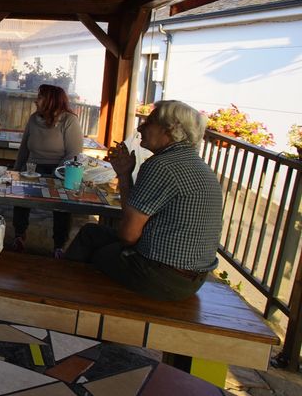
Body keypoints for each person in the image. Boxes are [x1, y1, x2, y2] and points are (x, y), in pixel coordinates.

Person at [64, 100, 222, 301]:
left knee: (95, 248)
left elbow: (128, 235)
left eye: (149, 122)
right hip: (192, 279)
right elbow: (135, 214)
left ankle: (66, 296)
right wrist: (124, 175)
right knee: (92, 233)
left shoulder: (161, 165)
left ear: (170, 129)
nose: (140, 128)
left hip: (160, 276)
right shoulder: (196, 164)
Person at [11, 84, 83, 257]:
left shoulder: (69, 120)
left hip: (59, 170)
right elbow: (24, 149)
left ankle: (59, 244)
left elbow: (74, 152)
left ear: (51, 100)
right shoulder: (34, 119)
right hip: (32, 168)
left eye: (41, 97)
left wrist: (57, 174)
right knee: (20, 198)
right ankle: (19, 235)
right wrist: (15, 171)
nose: (37, 100)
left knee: (62, 207)